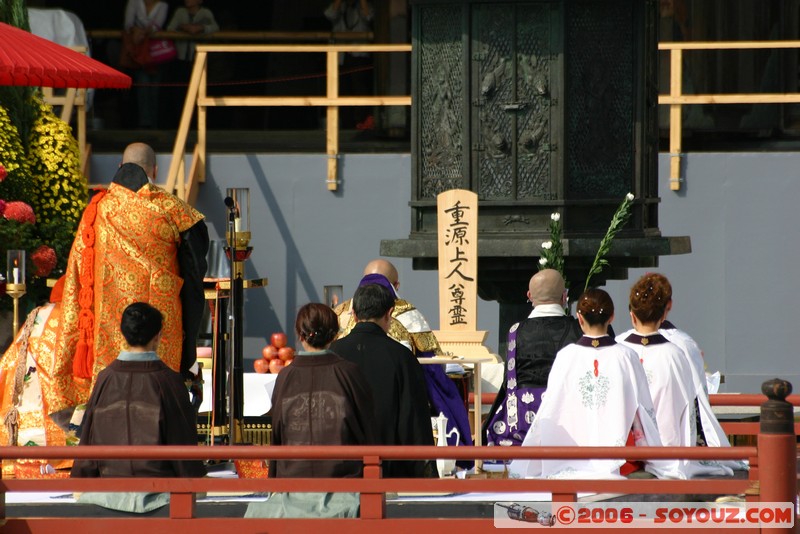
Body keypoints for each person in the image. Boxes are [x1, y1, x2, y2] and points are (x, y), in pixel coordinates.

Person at [47, 143, 208, 426]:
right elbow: (194, 281)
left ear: (120, 168)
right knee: (161, 406)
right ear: (155, 171)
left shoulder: (96, 211)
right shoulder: (177, 212)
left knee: (110, 401)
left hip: (109, 330)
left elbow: (76, 279)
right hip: (162, 333)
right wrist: (189, 346)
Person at [509, 289, 668, 480]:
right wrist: (653, 456)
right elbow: (644, 412)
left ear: (580, 319)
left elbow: (551, 407)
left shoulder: (566, 357)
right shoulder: (626, 357)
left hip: (568, 458)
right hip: (615, 460)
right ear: (612, 317)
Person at [245, 303, 377, 518]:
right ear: (334, 335)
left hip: (293, 486)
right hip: (344, 489)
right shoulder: (349, 373)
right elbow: (368, 432)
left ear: (300, 336)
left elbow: (278, 431)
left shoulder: (285, 376)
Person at [71, 302, 206, 512]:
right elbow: (182, 438)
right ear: (158, 335)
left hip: (108, 493)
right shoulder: (168, 380)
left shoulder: (105, 378)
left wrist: (81, 479)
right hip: (160, 496)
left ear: (123, 333)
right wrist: (194, 480)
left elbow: (89, 434)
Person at [335, 259, 473, 452]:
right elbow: (432, 365)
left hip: (343, 426)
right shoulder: (408, 313)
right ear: (396, 286)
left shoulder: (340, 313)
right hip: (392, 420)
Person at [617, 272, 747, 471]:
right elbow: (693, 404)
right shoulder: (679, 350)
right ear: (666, 310)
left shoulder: (617, 348)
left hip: (620, 454)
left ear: (632, 314)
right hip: (667, 451)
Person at [330, 283, 435, 478]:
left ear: (353, 314)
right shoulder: (403, 358)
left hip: (338, 470)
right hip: (388, 471)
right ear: (390, 314)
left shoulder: (332, 354)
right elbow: (413, 421)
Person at [483, 269, 582, 451]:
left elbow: (510, 382)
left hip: (523, 422)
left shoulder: (515, 332)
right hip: (571, 421)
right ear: (564, 296)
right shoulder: (579, 331)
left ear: (529, 295)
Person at [324, 0, 375, 129]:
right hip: (341, 54)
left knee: (360, 87)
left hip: (359, 54)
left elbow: (369, 17)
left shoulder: (364, 6)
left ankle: (361, 121)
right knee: (342, 89)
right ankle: (345, 123)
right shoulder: (340, 7)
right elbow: (329, 15)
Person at [123, 0, 169, 128]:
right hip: (139, 52)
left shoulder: (163, 5)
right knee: (142, 87)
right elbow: (128, 24)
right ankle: (145, 123)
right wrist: (135, 30)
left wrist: (142, 32)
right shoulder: (134, 2)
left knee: (155, 89)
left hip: (156, 52)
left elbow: (157, 25)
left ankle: (154, 123)